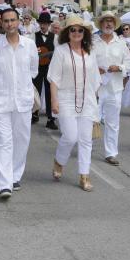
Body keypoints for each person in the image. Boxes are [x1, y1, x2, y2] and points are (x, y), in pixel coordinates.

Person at [0, 9, 39, 199]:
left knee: (21, 141)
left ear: (19, 22)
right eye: (6, 21)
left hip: (23, 100)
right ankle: (4, 184)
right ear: (1, 23)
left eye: (13, 20)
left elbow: (33, 71)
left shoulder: (29, 45)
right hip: (0, 101)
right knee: (2, 142)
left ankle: (14, 176)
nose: (10, 24)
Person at [49, 15, 101, 192]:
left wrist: (95, 101)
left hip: (87, 99)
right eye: (73, 30)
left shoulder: (91, 53)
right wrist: (54, 100)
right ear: (67, 32)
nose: (77, 33)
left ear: (85, 33)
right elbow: (54, 79)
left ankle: (84, 175)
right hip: (66, 98)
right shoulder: (61, 51)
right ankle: (59, 161)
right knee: (71, 136)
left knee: (86, 139)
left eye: (80, 30)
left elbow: (95, 80)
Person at [93, 11, 130, 166]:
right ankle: (86, 148)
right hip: (96, 87)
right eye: (105, 21)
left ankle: (110, 153)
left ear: (114, 25)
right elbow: (86, 61)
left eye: (111, 22)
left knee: (112, 122)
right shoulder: (93, 42)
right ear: (101, 24)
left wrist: (120, 67)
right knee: (92, 120)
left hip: (115, 88)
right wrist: (95, 69)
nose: (108, 24)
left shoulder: (121, 43)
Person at [32, 12, 58, 129]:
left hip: (49, 68)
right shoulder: (33, 36)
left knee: (50, 92)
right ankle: (34, 113)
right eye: (41, 23)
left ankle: (50, 118)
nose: (43, 26)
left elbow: (58, 53)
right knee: (35, 91)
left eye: (45, 24)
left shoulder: (55, 37)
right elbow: (30, 52)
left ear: (49, 25)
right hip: (36, 68)